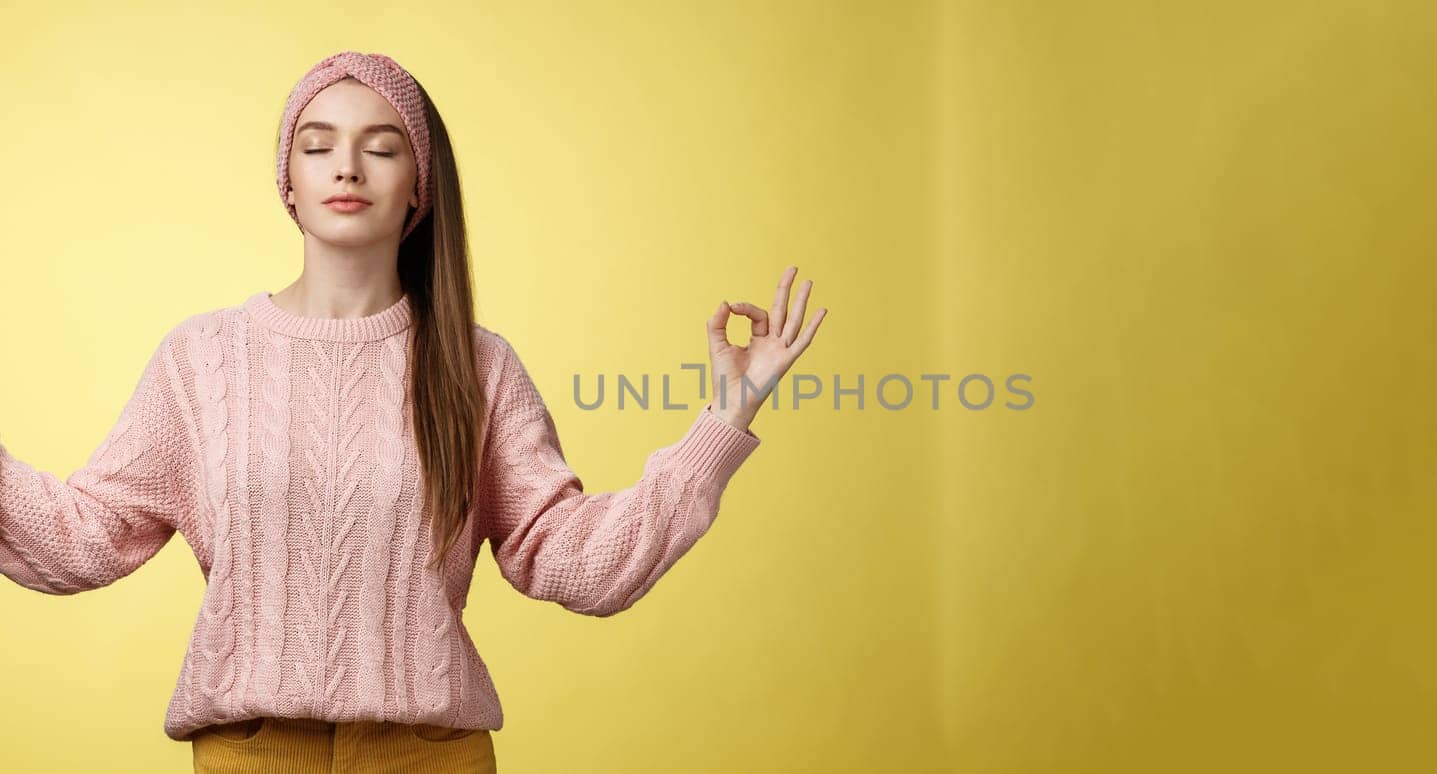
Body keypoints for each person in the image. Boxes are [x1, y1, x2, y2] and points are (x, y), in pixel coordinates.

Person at [0, 50, 826, 773]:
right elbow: (80, 538)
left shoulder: (477, 365)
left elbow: (578, 562)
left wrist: (727, 414)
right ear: (288, 182)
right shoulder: (200, 360)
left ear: (418, 190)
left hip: (430, 761)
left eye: (380, 148)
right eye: (317, 145)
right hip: (246, 757)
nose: (346, 168)